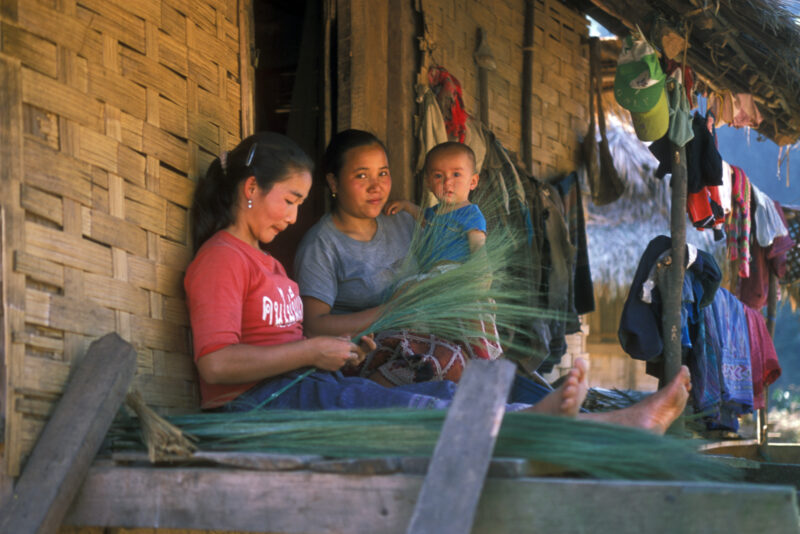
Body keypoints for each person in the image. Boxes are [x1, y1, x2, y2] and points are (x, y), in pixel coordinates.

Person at [294, 129, 692, 433]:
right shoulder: (321, 245)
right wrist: (393, 309)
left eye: (382, 173)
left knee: (486, 377)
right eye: (361, 176)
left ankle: (599, 423)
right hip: (370, 353)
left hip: (430, 335)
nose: (377, 185)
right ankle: (597, 426)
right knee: (453, 389)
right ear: (332, 182)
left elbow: (449, 263)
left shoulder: (403, 220)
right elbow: (314, 326)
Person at [184, 131, 590, 417]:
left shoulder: (268, 262)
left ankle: (573, 419)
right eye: (290, 201)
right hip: (259, 401)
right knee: (419, 409)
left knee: (446, 391)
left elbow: (287, 343)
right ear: (251, 188)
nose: (293, 217)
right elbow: (215, 365)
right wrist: (314, 351)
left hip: (305, 383)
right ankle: (543, 422)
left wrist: (343, 352)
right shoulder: (221, 258)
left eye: (299, 204)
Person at [385, 141, 486, 271]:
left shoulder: (470, 215)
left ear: (472, 181)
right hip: (429, 272)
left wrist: (482, 278)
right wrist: (406, 205)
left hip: (452, 274)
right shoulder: (434, 213)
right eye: (438, 176)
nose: (447, 182)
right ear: (428, 183)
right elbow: (421, 216)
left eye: (456, 174)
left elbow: (479, 248)